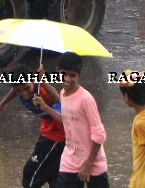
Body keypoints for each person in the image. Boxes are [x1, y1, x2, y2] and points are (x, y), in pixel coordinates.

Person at [35, 52, 108, 188]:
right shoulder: (63, 93)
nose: (67, 79)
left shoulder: (86, 99)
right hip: (71, 159)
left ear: (79, 75)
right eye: (64, 74)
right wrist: (45, 107)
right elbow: (66, 120)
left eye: (72, 75)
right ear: (57, 71)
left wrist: (89, 164)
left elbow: (99, 135)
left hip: (93, 162)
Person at [0, 69, 66, 188]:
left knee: (31, 173)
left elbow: (56, 99)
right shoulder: (20, 88)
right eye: (19, 91)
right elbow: (16, 89)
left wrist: (44, 84)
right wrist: (2, 103)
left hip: (57, 136)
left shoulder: (42, 91)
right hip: (46, 131)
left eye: (27, 88)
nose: (24, 93)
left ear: (33, 81)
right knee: (53, 173)